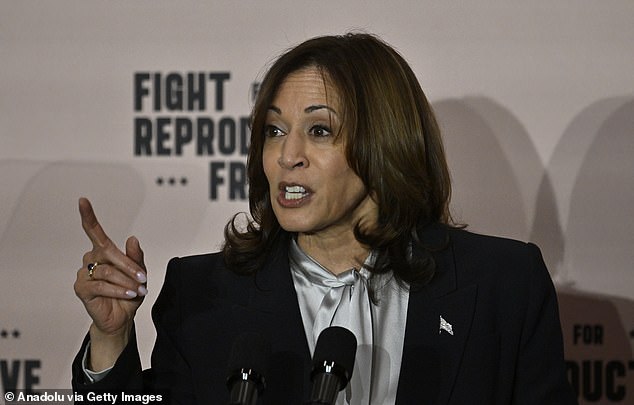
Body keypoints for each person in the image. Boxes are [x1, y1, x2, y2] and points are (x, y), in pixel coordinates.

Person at [72, 33, 577, 404]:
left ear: (385, 143)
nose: (287, 156)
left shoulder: (503, 286)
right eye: (273, 131)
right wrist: (110, 340)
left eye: (318, 130)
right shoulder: (202, 294)